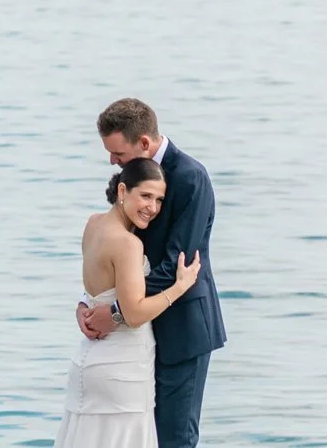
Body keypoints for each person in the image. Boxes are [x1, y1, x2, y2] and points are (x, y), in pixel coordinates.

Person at [73, 99, 227, 448]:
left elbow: (178, 265)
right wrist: (88, 301)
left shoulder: (190, 177)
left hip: (181, 328)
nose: (112, 162)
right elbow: (115, 251)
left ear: (143, 143)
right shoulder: (133, 179)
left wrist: (116, 313)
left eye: (118, 153)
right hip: (139, 332)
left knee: (174, 438)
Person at [56, 156, 201, 448]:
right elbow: (134, 313)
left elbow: (95, 286)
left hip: (88, 362)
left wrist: (82, 306)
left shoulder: (93, 225)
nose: (153, 207)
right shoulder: (128, 244)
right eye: (145, 196)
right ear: (122, 191)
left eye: (159, 200)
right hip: (123, 368)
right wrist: (179, 287)